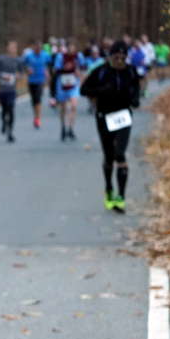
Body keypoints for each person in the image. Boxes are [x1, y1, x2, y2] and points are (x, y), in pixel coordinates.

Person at [80, 40, 140, 214]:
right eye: (116, 57)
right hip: (104, 116)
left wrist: (135, 98)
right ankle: (109, 189)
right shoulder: (101, 71)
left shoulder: (130, 71)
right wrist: (101, 90)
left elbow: (136, 87)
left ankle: (121, 196)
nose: (120, 60)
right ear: (110, 56)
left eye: (123, 57)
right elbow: (84, 90)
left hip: (123, 116)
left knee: (120, 154)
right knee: (109, 156)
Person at [52, 40, 82, 140]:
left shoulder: (78, 56)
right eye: (69, 47)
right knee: (64, 108)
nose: (70, 50)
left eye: (72, 48)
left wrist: (79, 72)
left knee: (73, 106)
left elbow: (84, 66)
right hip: (62, 84)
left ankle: (71, 129)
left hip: (74, 84)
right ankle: (63, 128)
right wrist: (64, 68)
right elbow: (55, 70)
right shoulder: (60, 57)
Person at [0, 40, 23, 143]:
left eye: (14, 47)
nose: (13, 49)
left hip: (12, 89)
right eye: (11, 47)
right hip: (2, 89)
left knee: (11, 109)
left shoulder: (18, 60)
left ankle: (10, 132)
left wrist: (17, 76)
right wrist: (2, 76)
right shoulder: (1, 59)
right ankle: (3, 122)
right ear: (7, 48)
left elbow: (21, 73)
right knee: (4, 110)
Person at [23, 40, 50, 129]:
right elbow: (23, 64)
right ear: (34, 47)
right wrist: (27, 70)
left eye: (39, 48)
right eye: (36, 47)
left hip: (40, 80)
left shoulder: (45, 55)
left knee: (38, 99)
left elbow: (50, 64)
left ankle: (37, 118)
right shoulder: (29, 56)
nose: (38, 49)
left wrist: (47, 72)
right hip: (31, 81)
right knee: (33, 100)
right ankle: (35, 116)